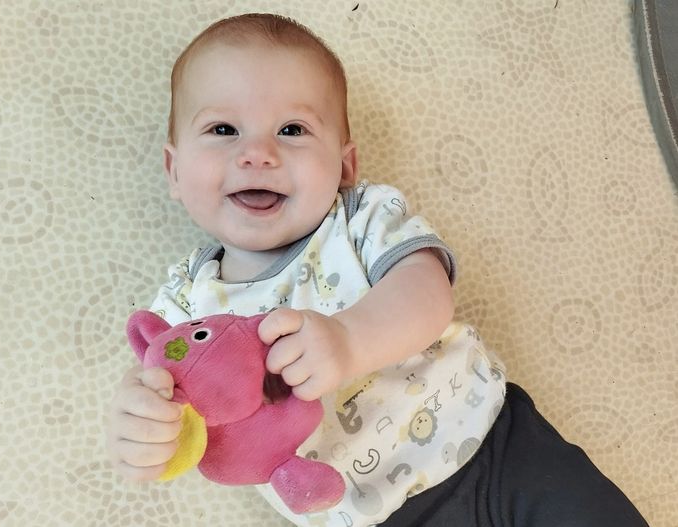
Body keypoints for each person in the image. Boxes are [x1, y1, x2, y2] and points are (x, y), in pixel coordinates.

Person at [105, 13, 649, 527]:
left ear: (344, 166)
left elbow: (428, 291)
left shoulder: (361, 219)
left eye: (292, 130)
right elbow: (161, 381)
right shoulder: (185, 304)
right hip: (372, 515)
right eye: (224, 129)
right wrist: (145, 422)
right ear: (174, 170)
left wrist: (348, 341)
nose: (258, 154)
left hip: (498, 447)